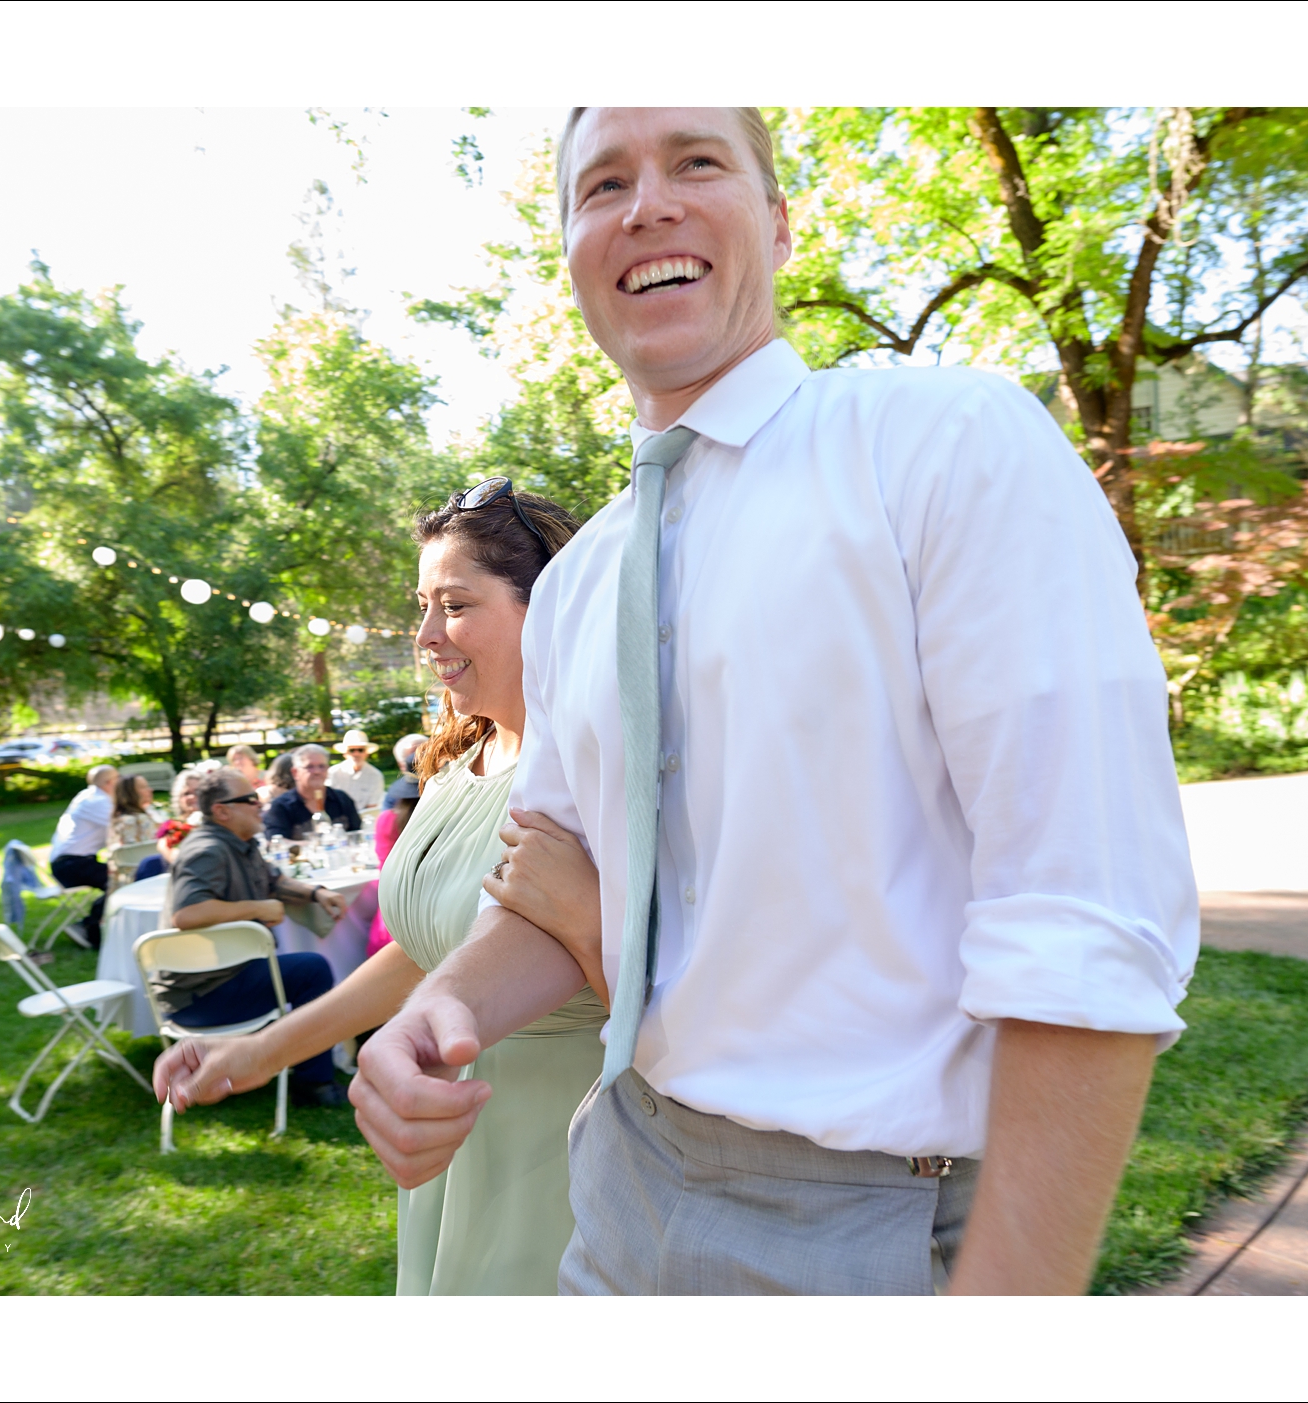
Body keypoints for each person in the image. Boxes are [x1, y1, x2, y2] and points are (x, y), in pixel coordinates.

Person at [350, 108, 1198, 1297]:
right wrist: (433, 1012)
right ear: (572, 251)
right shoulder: (584, 576)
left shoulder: (944, 442)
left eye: (696, 162)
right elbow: (551, 888)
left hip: (870, 1221)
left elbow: (1084, 915)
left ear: (780, 222)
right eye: (602, 184)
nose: (647, 204)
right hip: (614, 1180)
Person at [153, 485, 603, 1295]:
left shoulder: (597, 777)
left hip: (565, 1143)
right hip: (442, 1135)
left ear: (554, 606)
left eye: (456, 606)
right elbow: (423, 955)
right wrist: (258, 1051)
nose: (427, 636)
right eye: (422, 607)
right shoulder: (455, 769)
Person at [156, 768, 352, 1108]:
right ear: (222, 811)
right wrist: (257, 908)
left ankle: (306, 1068)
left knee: (306, 969)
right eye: (250, 800)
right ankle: (315, 1084)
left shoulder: (238, 845)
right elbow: (186, 913)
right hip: (202, 995)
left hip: (221, 977)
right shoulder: (207, 849)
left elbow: (273, 881)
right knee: (312, 969)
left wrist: (316, 892)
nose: (260, 804)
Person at [47, 764, 117, 946]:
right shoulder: (98, 802)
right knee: (122, 881)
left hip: (70, 862)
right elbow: (120, 826)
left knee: (120, 878)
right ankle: (87, 928)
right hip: (72, 864)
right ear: (110, 783)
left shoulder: (88, 797)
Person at [262, 744, 361, 844]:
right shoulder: (281, 806)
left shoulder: (342, 799)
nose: (317, 771)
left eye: (321, 766)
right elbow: (275, 842)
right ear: (295, 772)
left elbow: (358, 835)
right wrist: (316, 845)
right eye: (310, 767)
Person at [366, 775, 419, 957]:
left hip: (393, 903)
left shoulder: (386, 819)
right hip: (425, 908)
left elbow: (385, 864)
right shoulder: (445, 820)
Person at [326, 730, 386, 813]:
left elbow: (372, 806)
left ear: (366, 753)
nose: (356, 754)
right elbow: (327, 800)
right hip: (338, 815)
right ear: (345, 753)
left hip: (364, 817)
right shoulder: (333, 772)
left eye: (360, 750)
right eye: (352, 750)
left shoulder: (376, 775)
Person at [111, 773, 159, 847]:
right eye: (143, 787)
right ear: (130, 793)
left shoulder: (115, 820)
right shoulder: (139, 819)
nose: (150, 790)